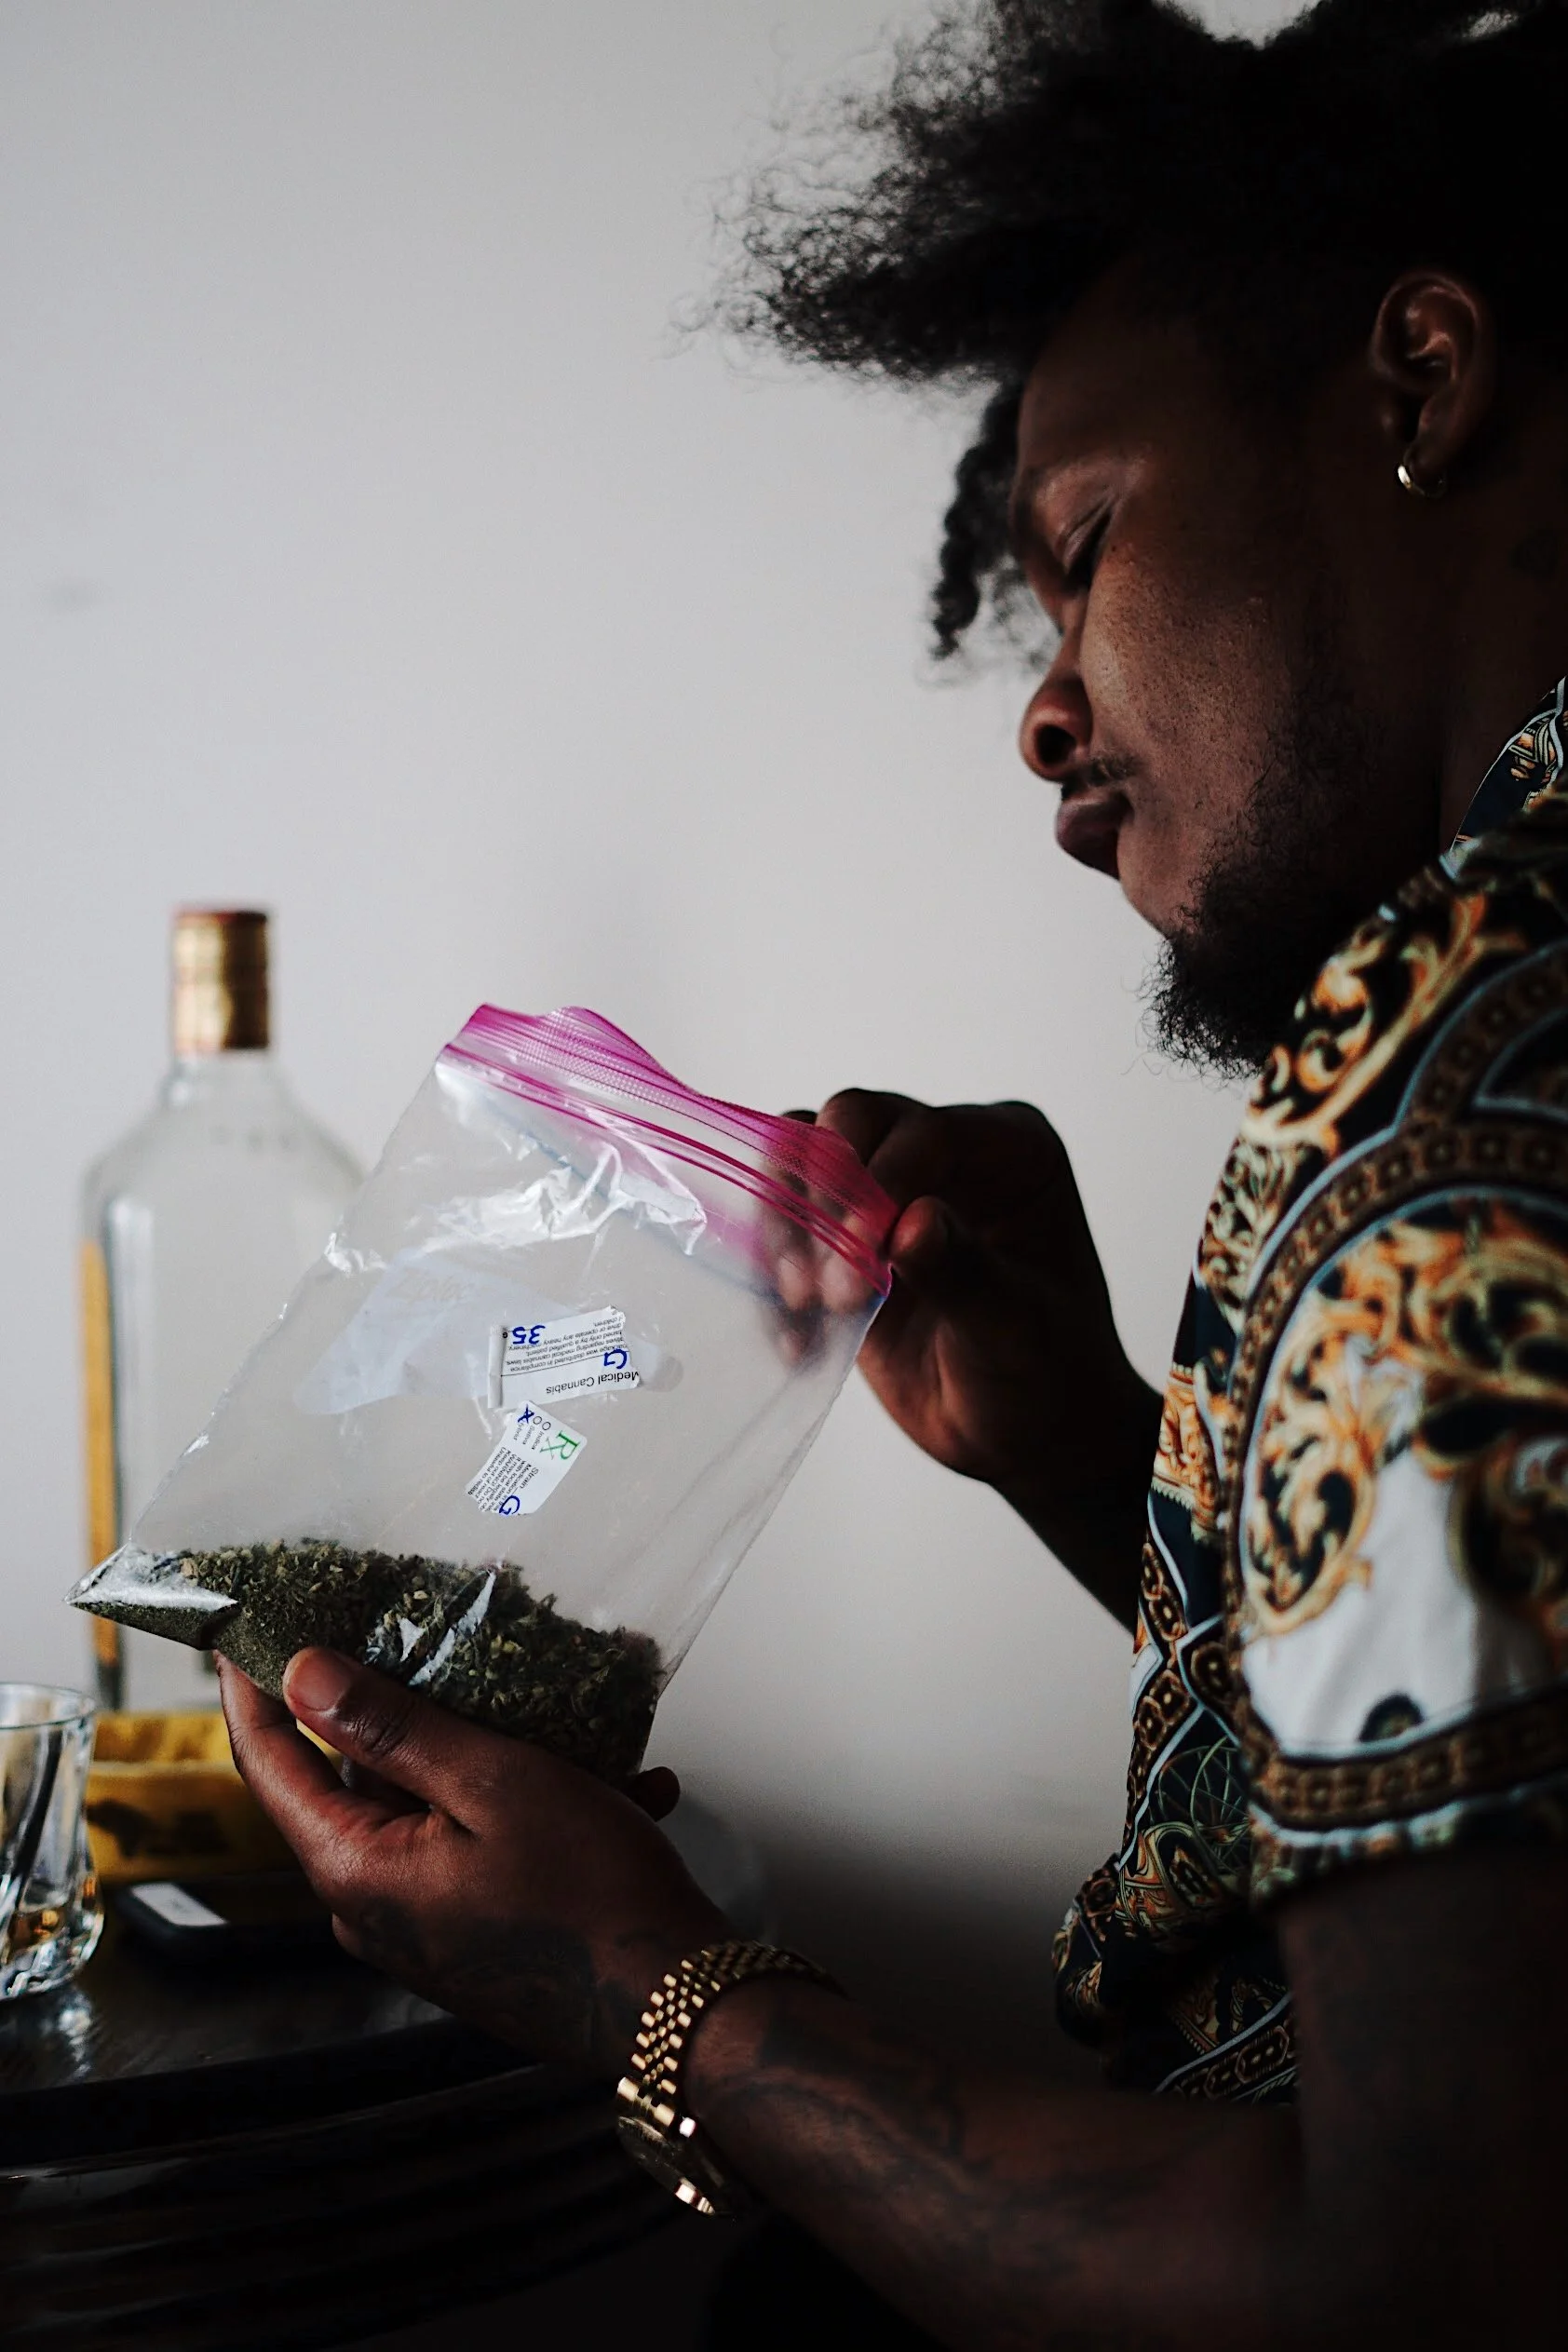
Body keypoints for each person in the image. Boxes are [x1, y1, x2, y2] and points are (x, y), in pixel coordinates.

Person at [220, 4, 1568, 2342]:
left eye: (1086, 548)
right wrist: (1095, 1464)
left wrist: (652, 1987)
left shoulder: (1443, 1048)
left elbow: (1417, 2281)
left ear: (1415, 378)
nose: (1042, 713)